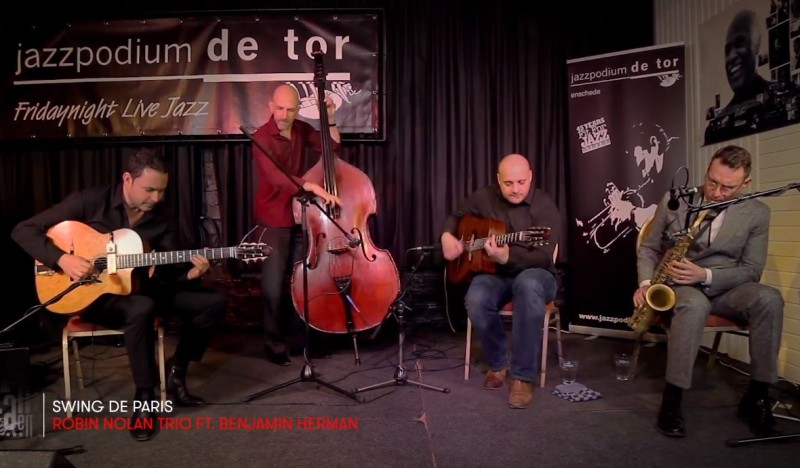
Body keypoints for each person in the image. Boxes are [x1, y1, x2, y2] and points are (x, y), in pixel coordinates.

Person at [11, 148, 227, 442]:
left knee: (213, 303)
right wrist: (62, 259)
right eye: (149, 190)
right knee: (142, 307)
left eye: (161, 191)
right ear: (127, 179)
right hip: (94, 296)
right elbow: (24, 230)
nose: (156, 198)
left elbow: (169, 272)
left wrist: (188, 273)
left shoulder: (163, 216)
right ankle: (145, 398)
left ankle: (177, 369)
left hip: (145, 289)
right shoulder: (90, 202)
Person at [634, 145, 784, 438]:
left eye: (727, 187)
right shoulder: (677, 201)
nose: (716, 192)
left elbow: (752, 270)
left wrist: (706, 274)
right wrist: (645, 284)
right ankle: (673, 399)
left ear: (746, 184)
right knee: (694, 307)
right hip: (681, 285)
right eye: (712, 181)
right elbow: (649, 247)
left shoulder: (757, 212)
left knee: (769, 299)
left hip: (727, 286)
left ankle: (758, 396)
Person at [440, 154, 561, 409]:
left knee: (527, 285)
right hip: (497, 274)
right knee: (476, 297)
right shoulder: (484, 197)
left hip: (538, 274)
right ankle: (498, 363)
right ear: (498, 180)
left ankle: (522, 376)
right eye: (508, 183)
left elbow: (542, 256)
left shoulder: (544, 207)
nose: (516, 189)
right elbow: (456, 214)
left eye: (521, 182)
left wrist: (508, 256)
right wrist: (447, 236)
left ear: (530, 177)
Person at [251, 83, 341, 366]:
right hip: (273, 217)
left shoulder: (301, 129)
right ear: (270, 106)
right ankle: (273, 346)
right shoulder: (261, 137)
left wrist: (330, 119)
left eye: (290, 110)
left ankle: (303, 342)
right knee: (274, 286)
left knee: (302, 281)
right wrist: (314, 187)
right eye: (279, 108)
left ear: (298, 109)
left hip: (300, 216)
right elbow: (278, 179)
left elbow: (333, 146)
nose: (283, 115)